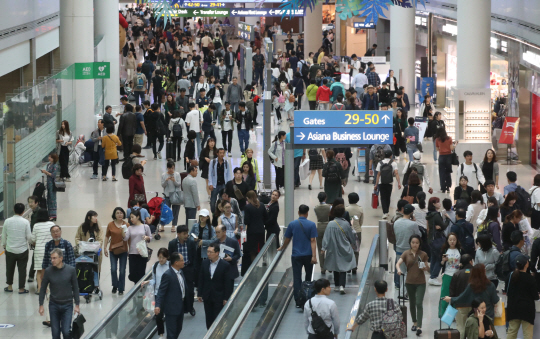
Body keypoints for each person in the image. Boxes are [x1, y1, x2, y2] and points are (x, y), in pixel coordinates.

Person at [278, 205, 317, 308]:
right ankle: (307, 297)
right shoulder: (312, 225)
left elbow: (287, 238)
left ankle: (298, 300)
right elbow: (313, 240)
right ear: (307, 213)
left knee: (297, 277)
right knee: (308, 278)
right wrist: (314, 256)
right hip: (308, 255)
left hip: (296, 255)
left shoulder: (292, 224)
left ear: (298, 212)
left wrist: (282, 247)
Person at [38, 248, 80, 339]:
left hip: (67, 305)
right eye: (51, 258)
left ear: (61, 258)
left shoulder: (71, 270)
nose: (52, 260)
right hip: (54, 305)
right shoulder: (48, 271)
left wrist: (77, 304)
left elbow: (75, 288)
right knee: (55, 333)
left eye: (54, 258)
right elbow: (43, 288)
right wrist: (41, 304)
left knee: (66, 331)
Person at [396, 234, 429, 336]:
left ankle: (419, 326)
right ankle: (414, 322)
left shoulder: (423, 254)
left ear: (420, 244)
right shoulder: (406, 253)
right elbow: (398, 263)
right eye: (413, 242)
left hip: (421, 282)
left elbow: (427, 268)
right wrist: (398, 270)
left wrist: (424, 268)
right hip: (409, 282)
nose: (415, 245)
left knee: (419, 303)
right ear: (410, 243)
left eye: (417, 243)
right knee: (412, 303)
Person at [321, 204, 357, 294]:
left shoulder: (330, 224)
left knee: (335, 265)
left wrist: (323, 247)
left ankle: (336, 285)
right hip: (344, 247)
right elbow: (351, 236)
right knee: (344, 266)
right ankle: (342, 286)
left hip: (333, 248)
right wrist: (353, 244)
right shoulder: (346, 224)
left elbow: (326, 236)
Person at [198, 243, 233, 329]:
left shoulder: (225, 265)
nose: (208, 254)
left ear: (217, 253)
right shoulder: (204, 263)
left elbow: (227, 283)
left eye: (210, 252)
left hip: (219, 297)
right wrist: (199, 293)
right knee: (209, 319)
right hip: (207, 296)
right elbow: (201, 278)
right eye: (207, 252)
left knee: (217, 319)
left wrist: (226, 298)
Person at [506, 254, 539, 339]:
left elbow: (507, 291)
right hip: (527, 310)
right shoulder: (530, 279)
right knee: (527, 334)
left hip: (513, 308)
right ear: (526, 264)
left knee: (511, 332)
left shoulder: (510, 276)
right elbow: (536, 297)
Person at [154, 252, 186, 339]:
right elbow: (161, 291)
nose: (184, 262)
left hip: (180, 307)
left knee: (178, 330)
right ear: (176, 262)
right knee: (171, 333)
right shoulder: (168, 275)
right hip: (171, 309)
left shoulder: (181, 272)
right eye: (182, 260)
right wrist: (158, 305)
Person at [167, 225, 197, 317]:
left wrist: (194, 269)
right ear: (178, 234)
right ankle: (181, 308)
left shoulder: (191, 243)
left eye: (187, 233)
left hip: (188, 268)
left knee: (190, 290)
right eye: (184, 234)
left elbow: (194, 256)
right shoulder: (172, 244)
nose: (186, 235)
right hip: (177, 269)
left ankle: (190, 307)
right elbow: (170, 258)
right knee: (178, 290)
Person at [2, 203, 32, 293]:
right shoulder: (26, 222)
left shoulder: (7, 221)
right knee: (22, 269)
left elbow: (4, 236)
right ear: (23, 212)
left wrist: (5, 246)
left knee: (9, 268)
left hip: (10, 249)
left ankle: (10, 286)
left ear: (14, 210)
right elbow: (29, 237)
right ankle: (21, 288)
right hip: (22, 250)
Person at [142, 248, 170, 337]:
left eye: (163, 257)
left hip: (169, 294)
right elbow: (155, 280)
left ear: (167, 257)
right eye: (159, 257)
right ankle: (161, 334)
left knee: (169, 315)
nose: (161, 259)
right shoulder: (155, 266)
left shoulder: (170, 266)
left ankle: (170, 334)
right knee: (158, 315)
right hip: (158, 294)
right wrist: (147, 282)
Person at [393, 204, 421, 290]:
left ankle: (401, 291)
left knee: (401, 272)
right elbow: (418, 235)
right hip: (409, 251)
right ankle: (404, 292)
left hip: (398, 249)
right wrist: (414, 221)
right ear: (411, 213)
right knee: (409, 272)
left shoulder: (396, 222)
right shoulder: (413, 224)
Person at [103, 207, 129, 295]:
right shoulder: (110, 224)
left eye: (121, 213)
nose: (119, 215)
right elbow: (107, 236)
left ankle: (121, 288)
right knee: (113, 269)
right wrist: (105, 247)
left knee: (122, 270)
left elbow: (128, 238)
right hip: (113, 250)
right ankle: (115, 285)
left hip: (123, 250)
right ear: (114, 214)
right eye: (117, 213)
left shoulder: (126, 225)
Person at [122, 209, 152, 284]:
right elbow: (125, 238)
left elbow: (150, 237)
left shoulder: (145, 227)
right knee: (133, 273)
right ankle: (136, 287)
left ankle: (139, 290)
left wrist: (147, 238)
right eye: (130, 217)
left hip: (142, 253)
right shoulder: (130, 228)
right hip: (132, 253)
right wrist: (122, 231)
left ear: (138, 217)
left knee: (141, 273)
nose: (131, 219)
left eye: (132, 217)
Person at [426, 197, 450, 285]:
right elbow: (443, 226)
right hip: (437, 240)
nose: (439, 204)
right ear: (433, 204)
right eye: (438, 202)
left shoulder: (429, 214)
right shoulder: (436, 215)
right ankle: (433, 277)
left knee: (433, 258)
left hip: (431, 239)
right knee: (440, 258)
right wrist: (447, 219)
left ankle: (432, 275)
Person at [438, 233, 462, 318]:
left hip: (457, 275)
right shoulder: (444, 250)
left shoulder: (460, 250)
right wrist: (443, 261)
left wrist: (460, 265)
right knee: (445, 293)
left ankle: (453, 314)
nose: (452, 241)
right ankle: (443, 313)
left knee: (455, 295)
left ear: (456, 240)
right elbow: (440, 264)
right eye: (450, 240)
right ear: (447, 241)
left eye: (454, 240)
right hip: (447, 274)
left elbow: (463, 261)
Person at [448, 254, 474, 333]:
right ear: (470, 262)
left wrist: (452, 303)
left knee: (461, 327)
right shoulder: (477, 273)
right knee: (473, 328)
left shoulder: (457, 274)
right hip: (475, 304)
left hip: (460, 304)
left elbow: (452, 291)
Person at [191, 209, 216, 283]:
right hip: (196, 251)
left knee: (204, 268)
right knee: (196, 268)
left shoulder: (210, 228)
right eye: (200, 216)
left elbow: (213, 241)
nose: (202, 218)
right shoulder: (195, 226)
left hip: (205, 252)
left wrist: (203, 242)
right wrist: (194, 239)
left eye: (204, 216)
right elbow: (190, 236)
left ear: (207, 217)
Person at [32, 209, 54, 295]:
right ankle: (48, 289)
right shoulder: (52, 224)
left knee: (39, 271)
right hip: (50, 250)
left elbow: (33, 239)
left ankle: (40, 289)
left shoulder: (36, 226)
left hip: (39, 250)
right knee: (50, 270)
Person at [375, 149, 401, 219]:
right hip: (389, 182)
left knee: (383, 197)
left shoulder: (380, 163)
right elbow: (396, 173)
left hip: (381, 182)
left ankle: (385, 213)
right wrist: (399, 183)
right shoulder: (393, 163)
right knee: (388, 197)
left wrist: (376, 184)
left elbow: (378, 174)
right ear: (391, 156)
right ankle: (387, 211)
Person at [208, 148, 232, 214]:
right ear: (217, 153)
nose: (222, 154)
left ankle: (222, 215)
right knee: (213, 202)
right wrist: (210, 184)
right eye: (220, 153)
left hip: (223, 185)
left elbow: (228, 174)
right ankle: (214, 213)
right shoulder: (213, 162)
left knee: (223, 201)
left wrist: (228, 185)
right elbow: (210, 173)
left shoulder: (226, 163)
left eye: (223, 153)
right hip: (215, 185)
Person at [162, 162, 182, 232]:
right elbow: (163, 185)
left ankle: (174, 225)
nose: (171, 170)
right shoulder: (164, 175)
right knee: (165, 211)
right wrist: (166, 181)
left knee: (175, 211)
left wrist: (174, 181)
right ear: (167, 168)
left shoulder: (177, 174)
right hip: (167, 195)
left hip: (175, 195)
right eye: (170, 168)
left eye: (172, 168)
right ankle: (162, 225)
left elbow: (179, 184)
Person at [345, 193, 363, 274]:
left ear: (349, 199)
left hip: (347, 231)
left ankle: (348, 267)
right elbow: (361, 221)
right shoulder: (360, 209)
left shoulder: (346, 209)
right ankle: (355, 267)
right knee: (356, 250)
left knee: (347, 249)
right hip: (357, 231)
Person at [435, 129, 456, 193]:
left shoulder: (437, 140)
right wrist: (455, 145)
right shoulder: (449, 139)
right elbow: (451, 148)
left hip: (441, 156)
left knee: (442, 173)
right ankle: (448, 187)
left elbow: (437, 149)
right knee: (448, 172)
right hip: (448, 157)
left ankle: (443, 188)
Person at [41, 153, 59, 220]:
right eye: (49, 156)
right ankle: (49, 214)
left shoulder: (55, 166)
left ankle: (53, 215)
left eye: (51, 157)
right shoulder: (48, 165)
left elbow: (53, 175)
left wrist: (46, 172)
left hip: (52, 184)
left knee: (52, 199)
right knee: (48, 198)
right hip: (48, 183)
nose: (49, 158)